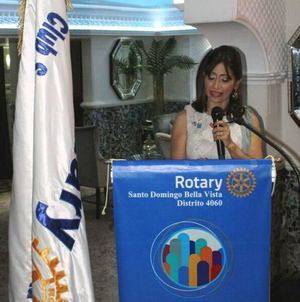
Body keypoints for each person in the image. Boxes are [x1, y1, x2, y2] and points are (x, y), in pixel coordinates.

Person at [171, 45, 264, 160]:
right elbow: (177, 173)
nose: (216, 86)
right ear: (203, 78)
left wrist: (230, 145)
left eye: (224, 80)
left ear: (236, 84)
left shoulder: (247, 120)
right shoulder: (184, 119)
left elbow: (257, 172)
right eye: (211, 77)